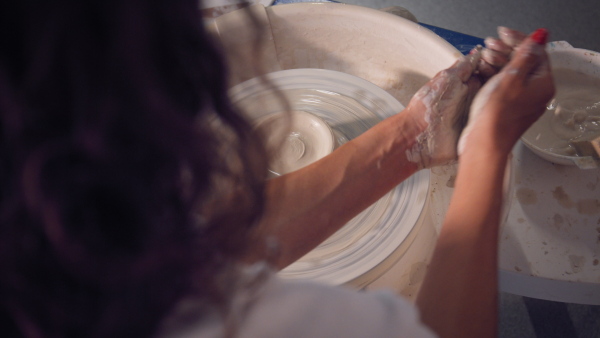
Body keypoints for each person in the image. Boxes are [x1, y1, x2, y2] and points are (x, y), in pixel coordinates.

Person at [0, 1, 554, 337]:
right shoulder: (212, 324)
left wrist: (411, 135)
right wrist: (487, 149)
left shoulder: (55, 230)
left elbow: (195, 252)